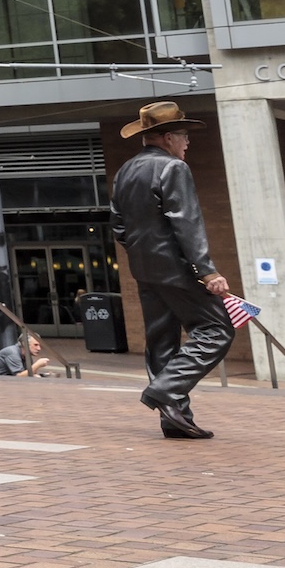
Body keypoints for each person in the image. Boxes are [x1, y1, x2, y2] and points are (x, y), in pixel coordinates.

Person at [111, 100, 233, 439]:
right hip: (176, 268)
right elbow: (187, 223)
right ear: (166, 138)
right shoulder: (173, 169)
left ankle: (174, 419)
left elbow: (118, 226)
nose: (187, 142)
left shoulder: (125, 171)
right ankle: (164, 391)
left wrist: (142, 253)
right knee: (217, 330)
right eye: (183, 135)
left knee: (161, 341)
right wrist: (207, 271)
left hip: (143, 268)